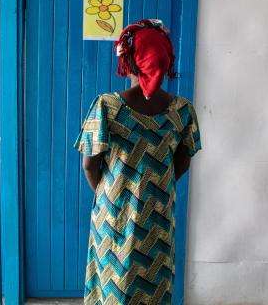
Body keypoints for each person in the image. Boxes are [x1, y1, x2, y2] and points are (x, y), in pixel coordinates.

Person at [73, 18, 202, 304]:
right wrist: (152, 188)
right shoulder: (182, 112)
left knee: (112, 285)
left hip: (114, 212)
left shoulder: (108, 106)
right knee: (153, 286)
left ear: (128, 61)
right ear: (166, 61)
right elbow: (182, 162)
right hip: (157, 216)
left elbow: (88, 165)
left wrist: (114, 193)